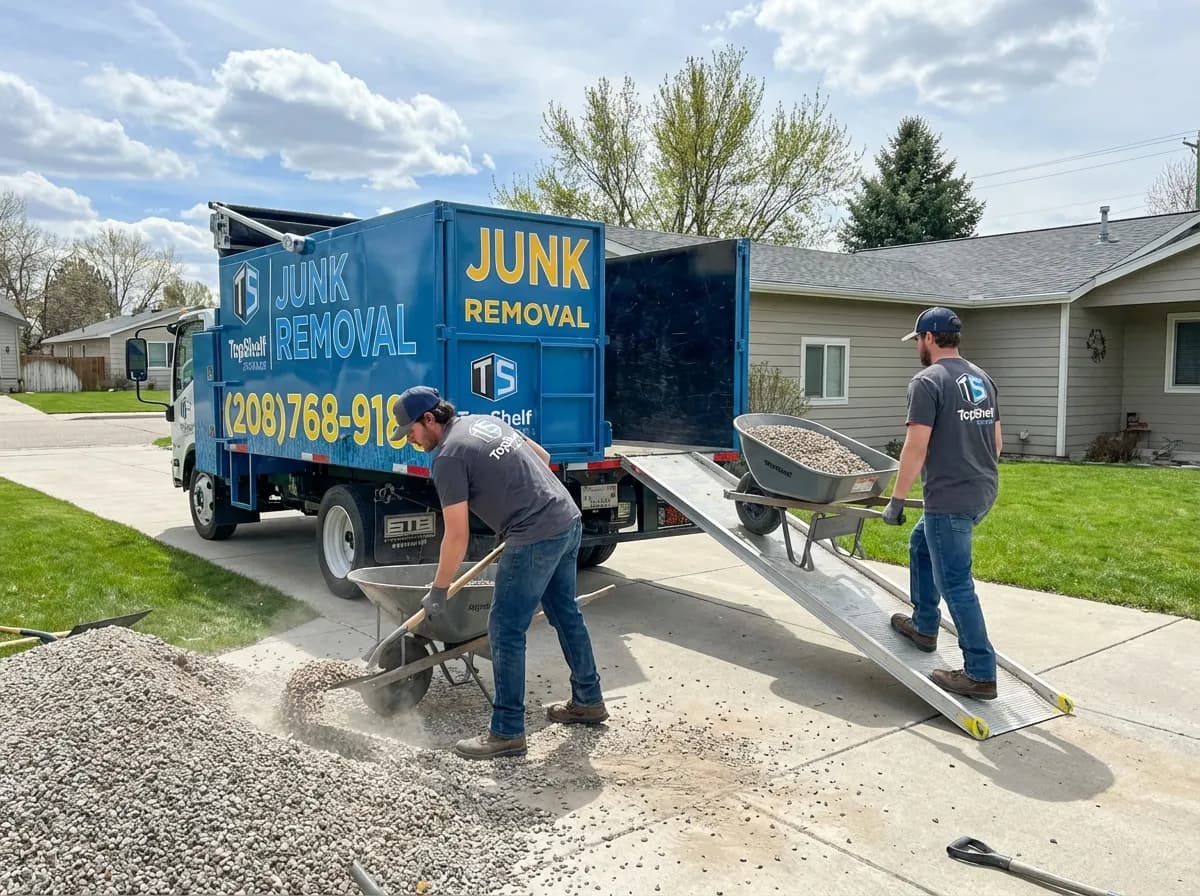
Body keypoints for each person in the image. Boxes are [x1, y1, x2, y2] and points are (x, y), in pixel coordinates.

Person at [384, 385, 607, 759]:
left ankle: (506, 732)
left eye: (411, 431)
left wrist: (438, 590)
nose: (410, 439)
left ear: (429, 419)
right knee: (565, 613)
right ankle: (588, 699)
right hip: (566, 518)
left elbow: (457, 535)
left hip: (535, 533)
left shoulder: (447, 456)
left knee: (504, 629)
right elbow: (542, 456)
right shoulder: (483, 421)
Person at [881, 307, 1003, 700]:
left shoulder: (927, 381)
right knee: (921, 544)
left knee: (955, 583)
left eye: (918, 339)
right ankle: (924, 625)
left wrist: (897, 501)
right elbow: (997, 443)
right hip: (982, 491)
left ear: (929, 338)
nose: (917, 346)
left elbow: (915, 447)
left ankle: (980, 673)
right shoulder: (982, 378)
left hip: (950, 498)